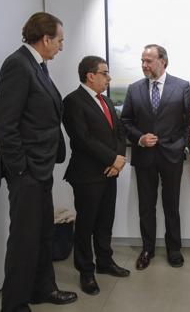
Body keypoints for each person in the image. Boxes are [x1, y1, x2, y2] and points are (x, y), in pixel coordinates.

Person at [0, 12, 77, 312]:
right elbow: (4, 125)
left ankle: (43, 289)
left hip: (41, 168)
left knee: (43, 233)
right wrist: (20, 168)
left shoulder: (37, 65)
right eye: (60, 40)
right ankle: (13, 305)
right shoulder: (17, 65)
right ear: (45, 39)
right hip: (26, 171)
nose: (61, 47)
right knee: (24, 240)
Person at [120, 44, 190, 270]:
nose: (144, 65)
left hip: (172, 155)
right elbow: (126, 122)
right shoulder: (134, 89)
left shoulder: (182, 87)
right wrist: (140, 138)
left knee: (171, 205)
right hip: (144, 156)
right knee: (146, 206)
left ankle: (174, 249)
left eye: (149, 61)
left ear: (163, 61)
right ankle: (147, 249)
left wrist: (182, 144)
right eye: (142, 60)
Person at [62, 56, 130, 296]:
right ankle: (86, 272)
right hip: (87, 175)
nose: (109, 77)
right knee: (86, 224)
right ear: (91, 75)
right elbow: (82, 138)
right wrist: (113, 159)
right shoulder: (72, 101)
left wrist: (118, 160)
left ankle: (105, 262)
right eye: (105, 73)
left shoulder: (107, 101)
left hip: (110, 172)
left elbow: (119, 133)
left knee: (105, 221)